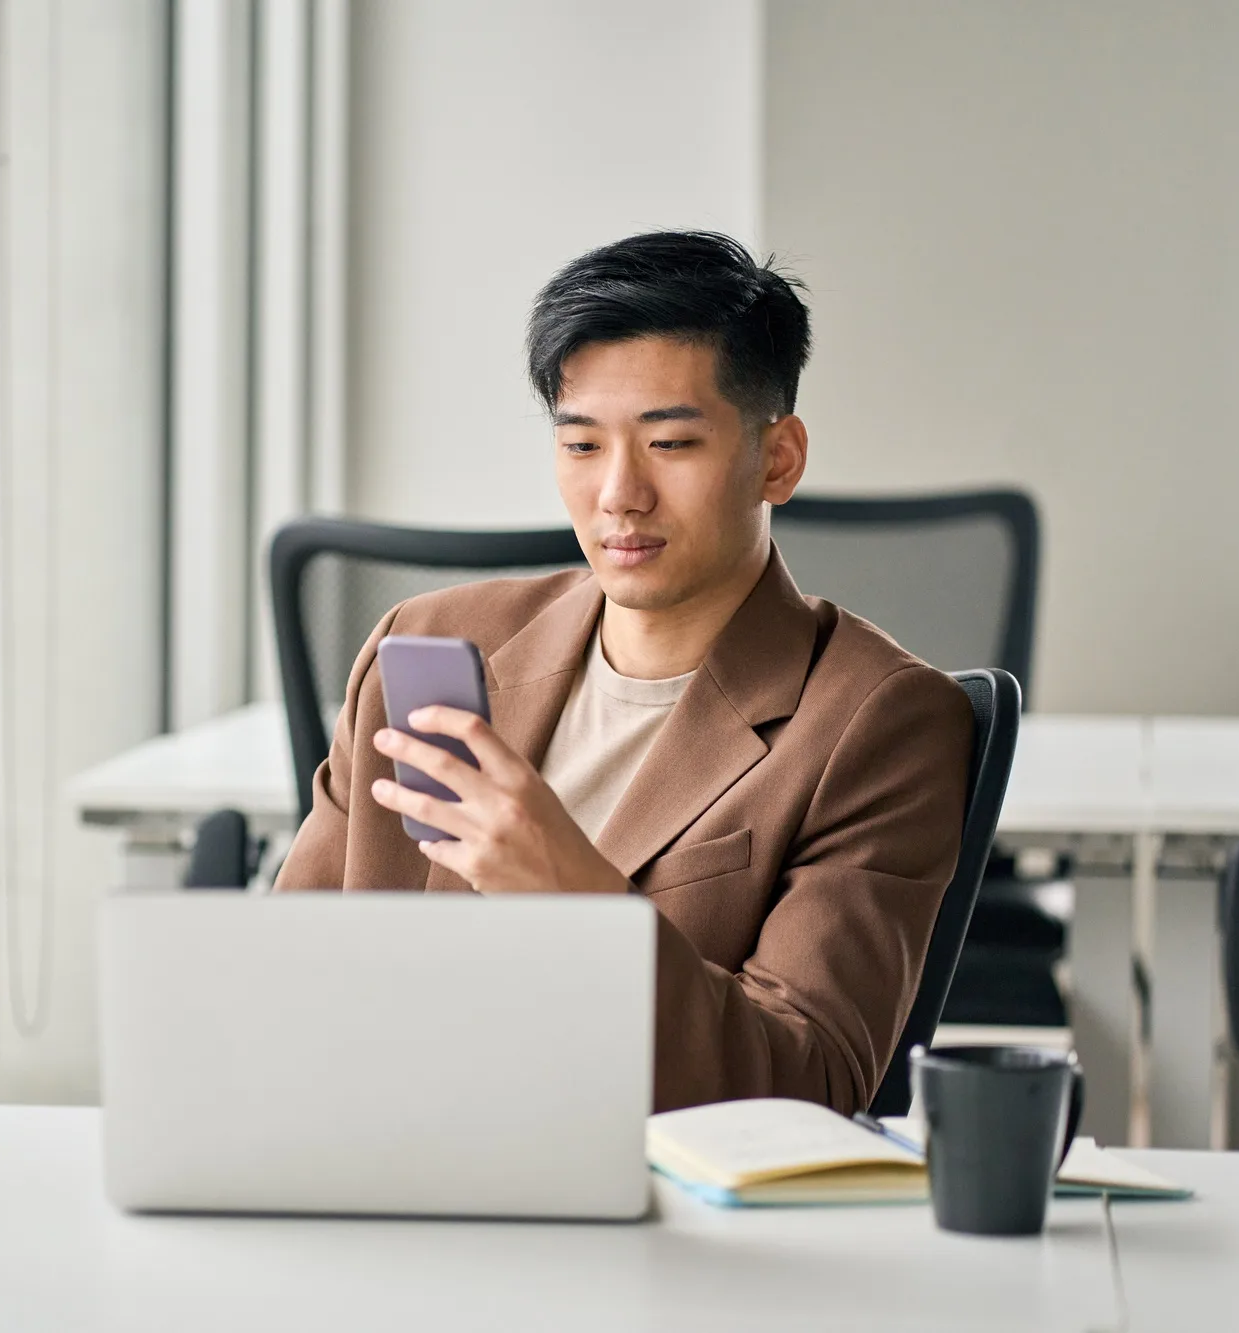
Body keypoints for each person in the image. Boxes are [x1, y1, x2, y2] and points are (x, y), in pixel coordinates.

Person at [274, 231, 972, 1116]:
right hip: (392, 1170)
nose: (619, 494)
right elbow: (282, 969)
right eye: (581, 446)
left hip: (655, 1215)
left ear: (779, 458)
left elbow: (811, 1084)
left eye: (671, 444)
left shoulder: (880, 722)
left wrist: (570, 892)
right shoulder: (431, 644)